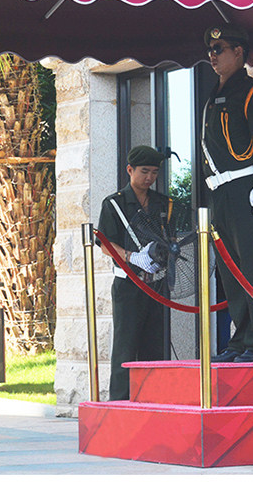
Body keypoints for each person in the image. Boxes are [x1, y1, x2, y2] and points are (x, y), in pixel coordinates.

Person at [201, 25, 253, 363]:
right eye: (210, 49)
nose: (212, 55)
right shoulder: (214, 93)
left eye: (219, 48)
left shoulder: (251, 92)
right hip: (220, 191)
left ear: (238, 52)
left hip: (246, 187)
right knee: (231, 271)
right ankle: (241, 339)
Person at [96, 145, 173, 400]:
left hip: (157, 284)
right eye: (144, 171)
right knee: (125, 347)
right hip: (128, 284)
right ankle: (120, 403)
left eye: (154, 173)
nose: (149, 178)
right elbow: (105, 243)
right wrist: (132, 257)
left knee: (156, 346)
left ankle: (155, 400)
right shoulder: (114, 203)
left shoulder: (162, 203)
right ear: (130, 170)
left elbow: (171, 237)